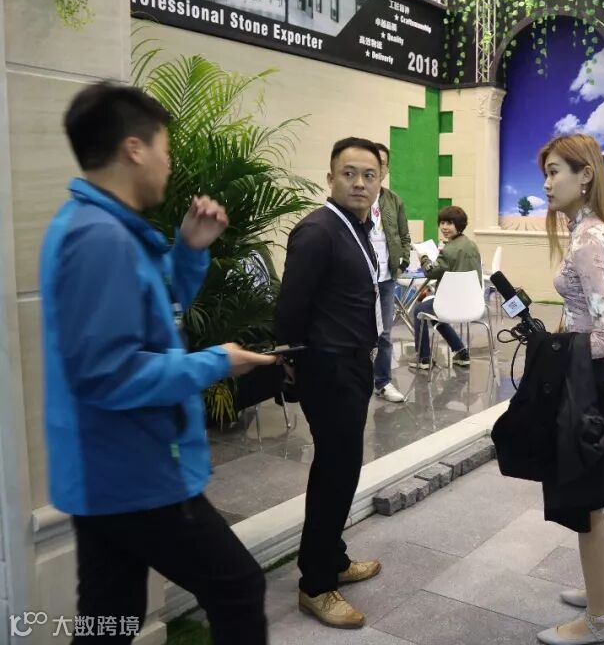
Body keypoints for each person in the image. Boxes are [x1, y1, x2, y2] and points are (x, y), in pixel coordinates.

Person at [42, 82, 276, 644]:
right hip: (134, 470)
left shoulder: (104, 229)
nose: (169, 165)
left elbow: (156, 314)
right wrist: (215, 362)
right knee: (238, 588)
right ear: (134, 149)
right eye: (164, 150)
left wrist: (190, 250)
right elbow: (109, 373)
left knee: (110, 616)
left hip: (111, 470)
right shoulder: (98, 238)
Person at [275, 137, 385, 628]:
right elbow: (290, 308)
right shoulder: (318, 231)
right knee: (334, 472)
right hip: (329, 367)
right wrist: (296, 365)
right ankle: (316, 585)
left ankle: (333, 557)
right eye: (349, 173)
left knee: (342, 469)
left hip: (353, 364)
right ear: (331, 178)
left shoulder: (356, 227)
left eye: (369, 175)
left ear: (380, 181)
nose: (359, 183)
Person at [537, 134, 604, 645]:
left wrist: (559, 349)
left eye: (555, 171)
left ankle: (597, 623)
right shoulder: (603, 227)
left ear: (585, 175)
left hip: (600, 380)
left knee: (588, 501)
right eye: (545, 172)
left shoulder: (585, 241)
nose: (547, 183)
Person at [409, 205, 483, 370]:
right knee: (434, 311)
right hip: (473, 303)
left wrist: (424, 258)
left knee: (420, 310)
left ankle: (423, 358)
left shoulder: (448, 250)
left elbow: (430, 272)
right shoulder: (471, 245)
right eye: (442, 223)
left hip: (453, 304)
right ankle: (461, 352)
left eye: (449, 223)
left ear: (459, 224)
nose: (444, 227)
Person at [370, 142, 411, 403]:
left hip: (386, 279)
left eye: (382, 163)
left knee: (384, 334)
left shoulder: (394, 200)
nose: (378, 168)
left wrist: (402, 261)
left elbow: (405, 236)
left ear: (386, 169)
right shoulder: (356, 199)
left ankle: (383, 382)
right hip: (358, 279)